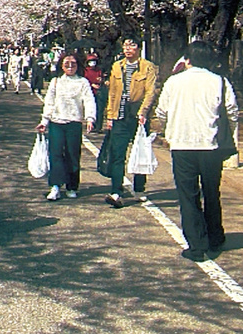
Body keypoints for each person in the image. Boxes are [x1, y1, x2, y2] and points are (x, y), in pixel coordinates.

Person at [154, 40, 239, 261]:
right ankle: (215, 237)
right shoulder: (220, 82)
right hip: (211, 145)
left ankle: (196, 244)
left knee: (188, 196)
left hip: (182, 145)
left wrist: (168, 128)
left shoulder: (173, 82)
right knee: (212, 192)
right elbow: (232, 111)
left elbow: (161, 111)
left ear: (187, 59)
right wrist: (229, 132)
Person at [103, 35, 158, 207]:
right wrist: (110, 115)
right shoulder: (117, 66)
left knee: (140, 151)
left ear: (138, 48)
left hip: (138, 115)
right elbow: (112, 92)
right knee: (117, 154)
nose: (128, 49)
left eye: (132, 46)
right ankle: (116, 191)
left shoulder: (147, 67)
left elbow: (150, 92)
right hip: (120, 115)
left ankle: (139, 188)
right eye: (125, 46)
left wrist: (143, 112)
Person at [36, 54, 96, 199]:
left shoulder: (82, 82)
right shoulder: (56, 81)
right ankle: (55, 186)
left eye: (73, 64)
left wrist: (90, 118)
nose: (70, 67)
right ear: (61, 66)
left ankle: (72, 186)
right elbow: (49, 102)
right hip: (56, 122)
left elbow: (89, 101)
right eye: (66, 64)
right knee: (55, 154)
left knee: (72, 155)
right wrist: (44, 121)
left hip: (74, 123)